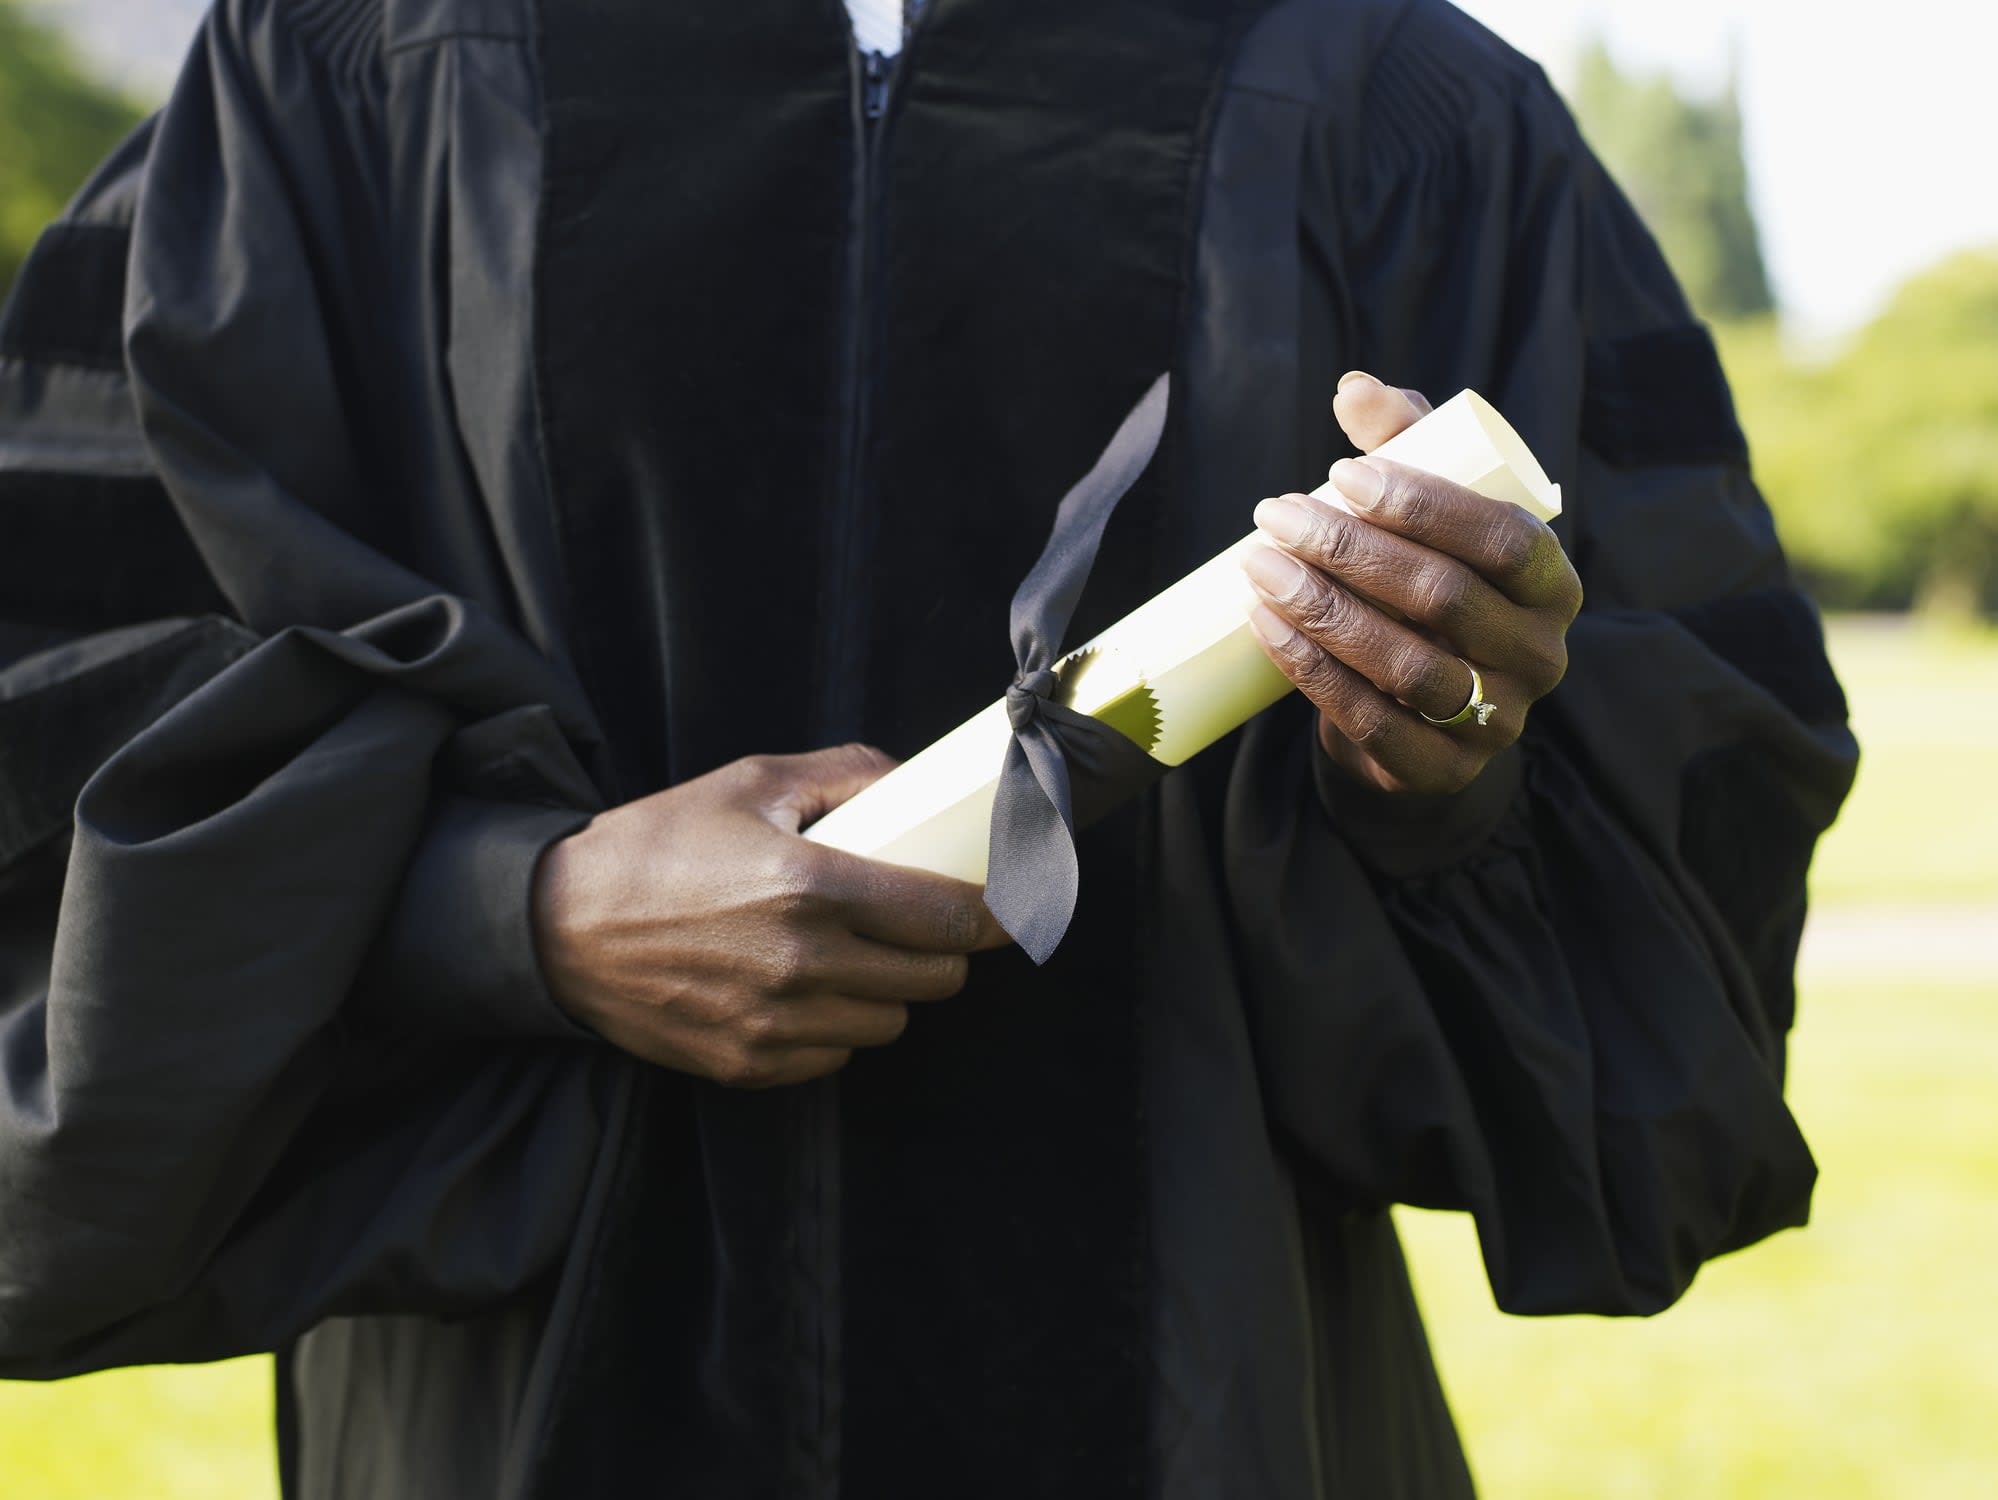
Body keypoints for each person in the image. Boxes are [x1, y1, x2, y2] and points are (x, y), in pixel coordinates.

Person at [0, 0, 1857, 1496]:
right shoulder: (350, 63)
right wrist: (514, 912)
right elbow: (57, 715)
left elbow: (1676, 908)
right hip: (507, 1409)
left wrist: (1444, 759)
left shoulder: (1378, 93)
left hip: (1211, 1394)